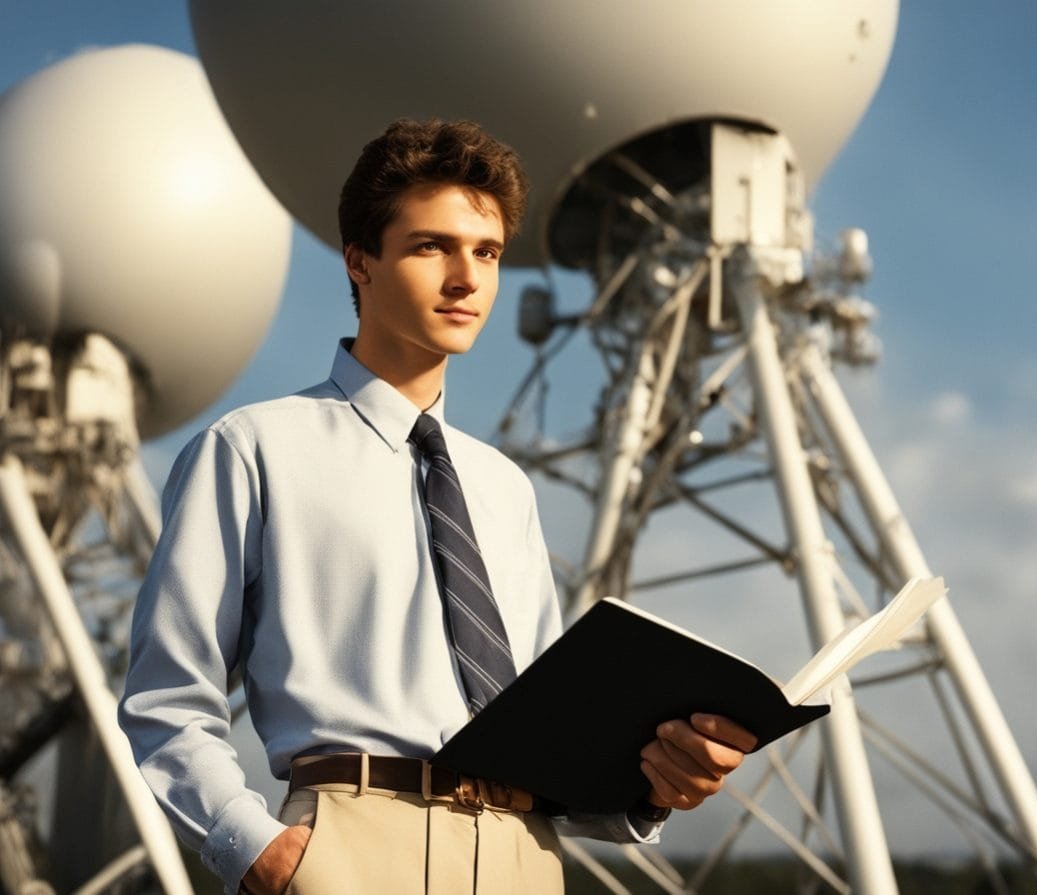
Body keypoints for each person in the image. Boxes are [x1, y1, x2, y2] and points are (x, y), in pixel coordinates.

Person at [119, 119, 755, 895]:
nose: (466, 279)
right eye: (431, 247)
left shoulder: (503, 486)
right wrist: (260, 853)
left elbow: (547, 743)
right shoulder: (253, 448)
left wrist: (656, 783)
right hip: (349, 851)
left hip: (524, 856)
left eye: (486, 253)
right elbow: (166, 696)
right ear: (360, 260)